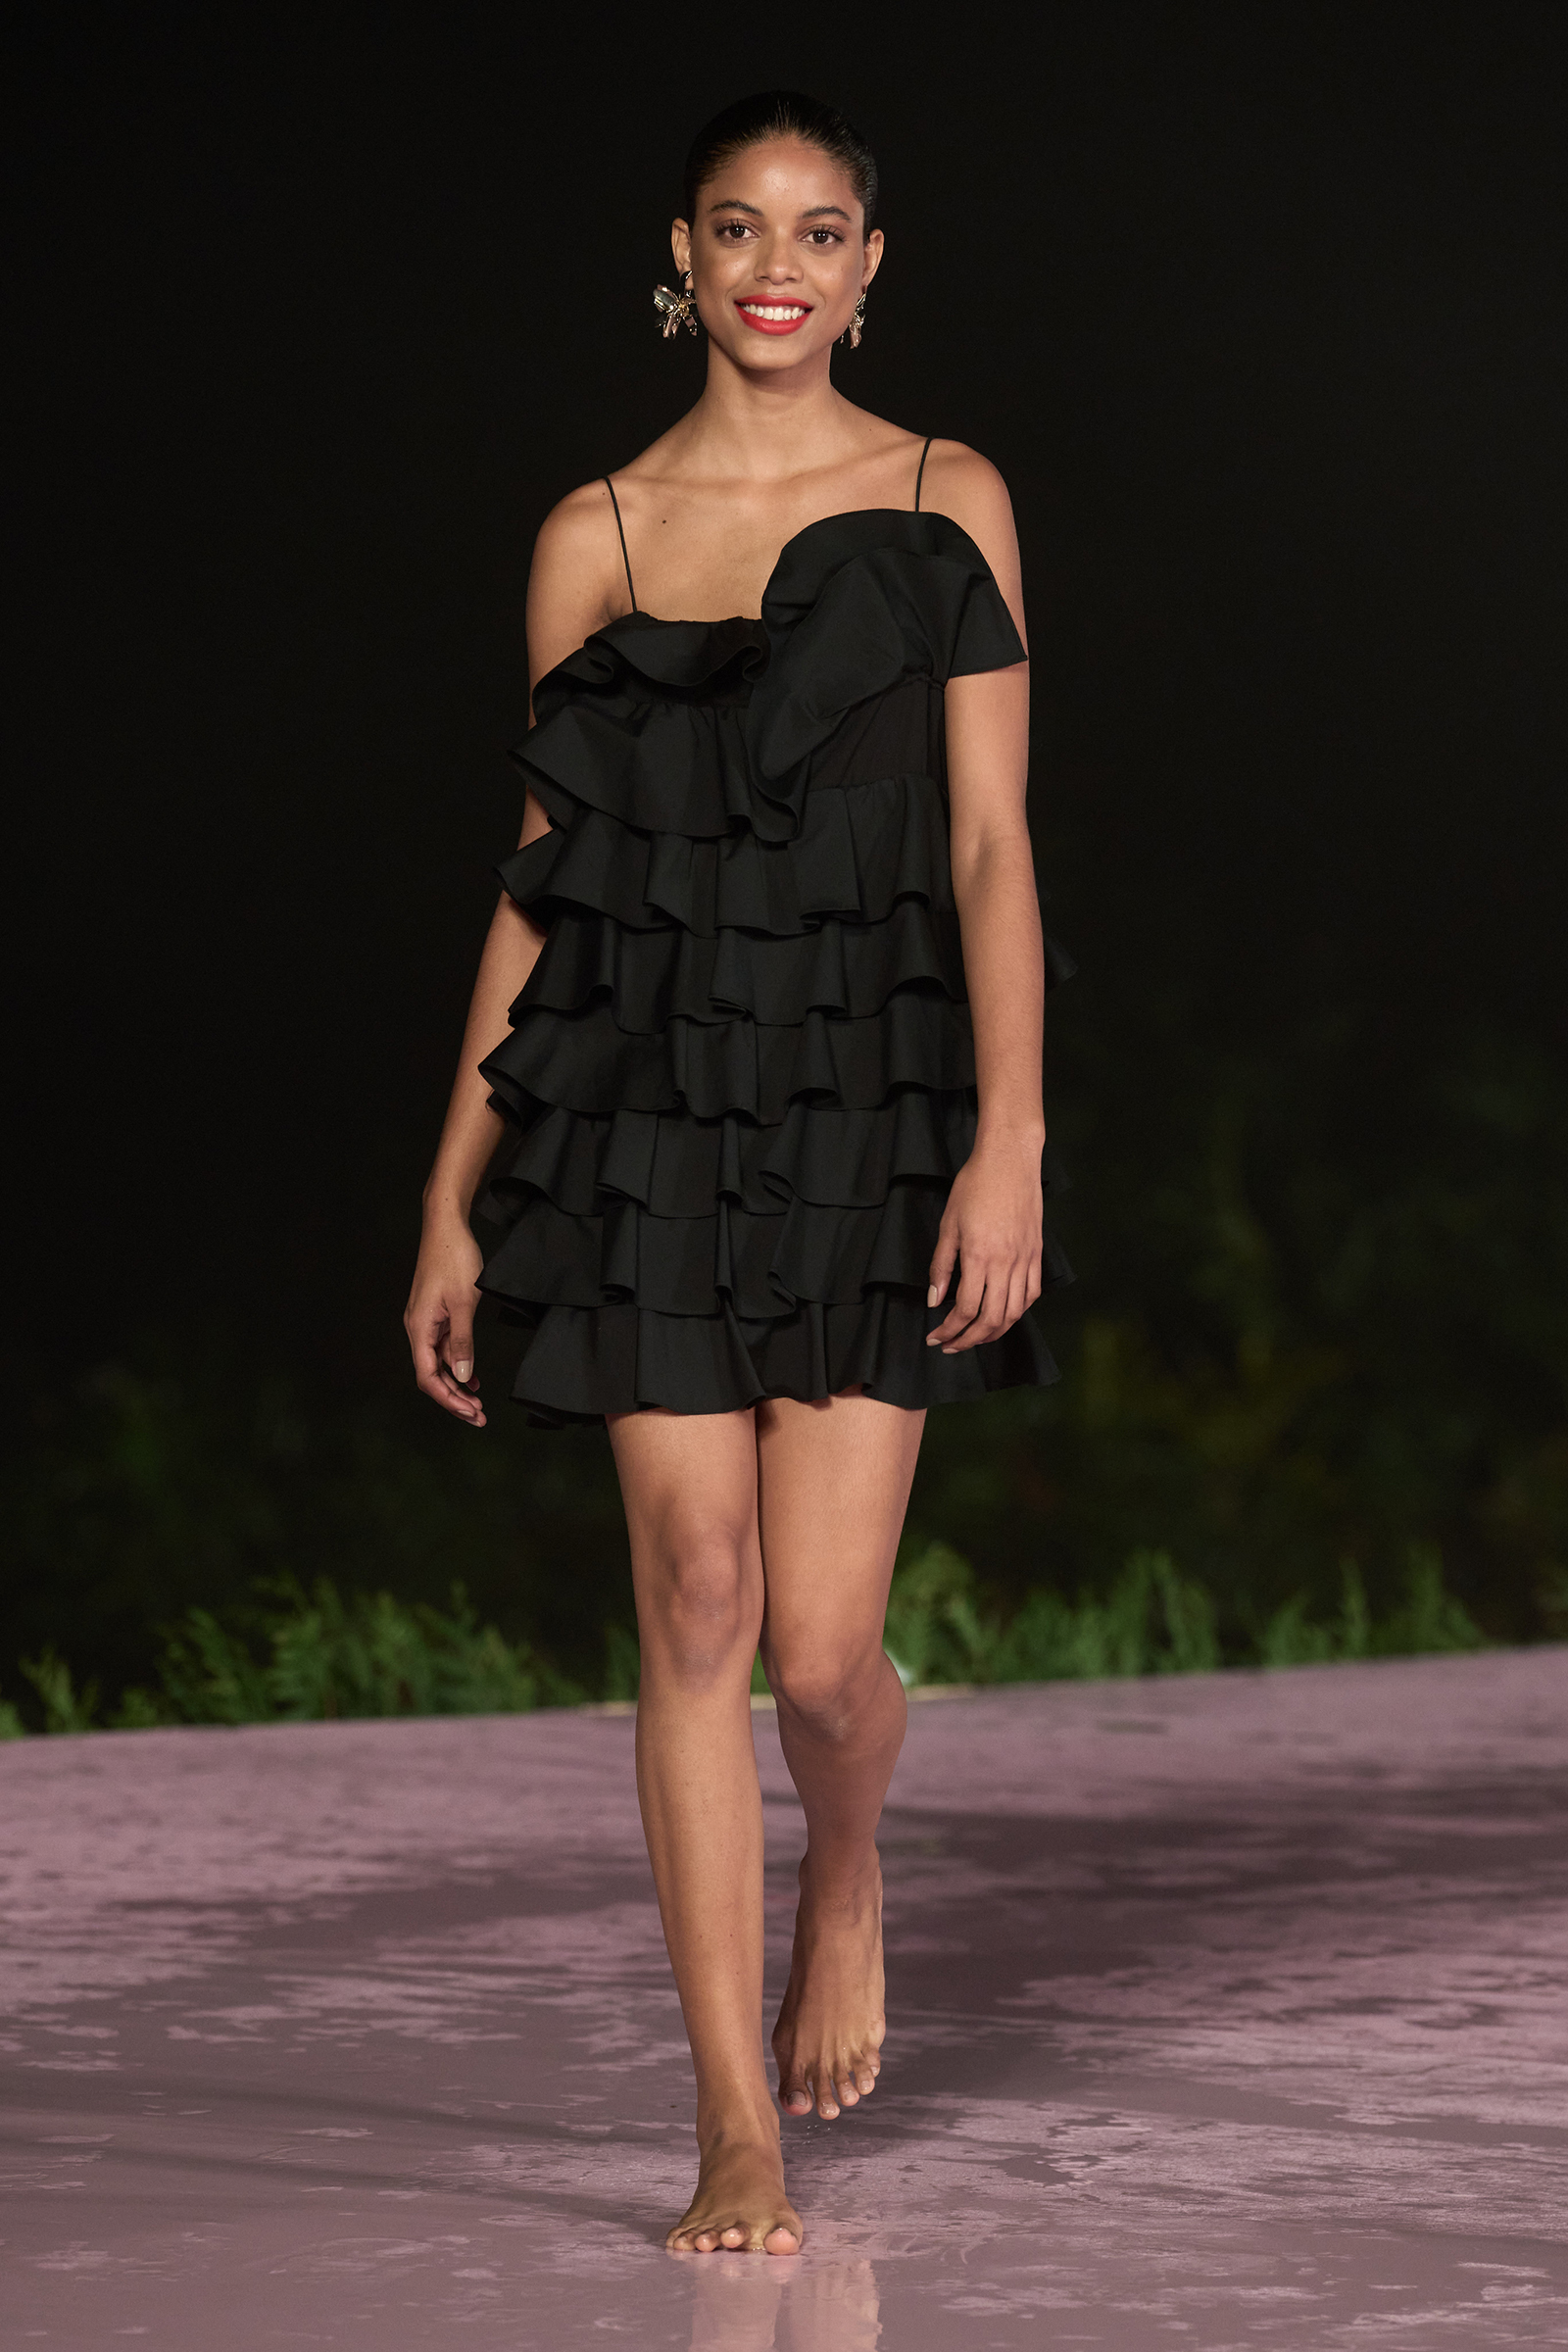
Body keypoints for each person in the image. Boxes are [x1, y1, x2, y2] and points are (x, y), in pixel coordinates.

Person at [404, 89, 1067, 2258]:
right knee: (694, 1601)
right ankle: (731, 2126)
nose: (777, 263)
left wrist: (1009, 1139)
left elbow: (992, 847)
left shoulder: (945, 494)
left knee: (821, 1659)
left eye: (820, 227)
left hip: (873, 1104)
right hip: (647, 1116)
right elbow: (542, 883)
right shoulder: (593, 531)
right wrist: (453, 1191)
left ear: (872, 263)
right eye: (736, 224)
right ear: (677, 259)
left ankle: (848, 1859)